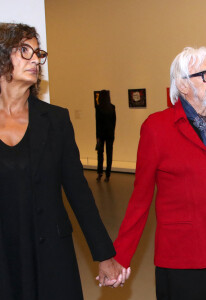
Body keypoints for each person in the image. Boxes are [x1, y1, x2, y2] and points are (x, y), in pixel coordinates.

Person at [110, 47, 206, 299]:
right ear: (182, 84)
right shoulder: (157, 128)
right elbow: (140, 199)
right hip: (183, 258)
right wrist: (120, 256)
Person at [0, 23, 128, 300]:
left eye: (38, 53)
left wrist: (105, 255)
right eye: (24, 50)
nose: (35, 59)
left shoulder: (56, 120)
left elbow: (78, 192)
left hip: (50, 254)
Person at [95, 90, 116, 182]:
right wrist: (112, 132)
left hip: (101, 134)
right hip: (110, 134)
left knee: (100, 154)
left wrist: (97, 136)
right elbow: (114, 121)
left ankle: (100, 173)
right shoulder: (112, 107)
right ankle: (108, 175)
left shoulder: (98, 108)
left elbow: (97, 123)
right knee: (109, 154)